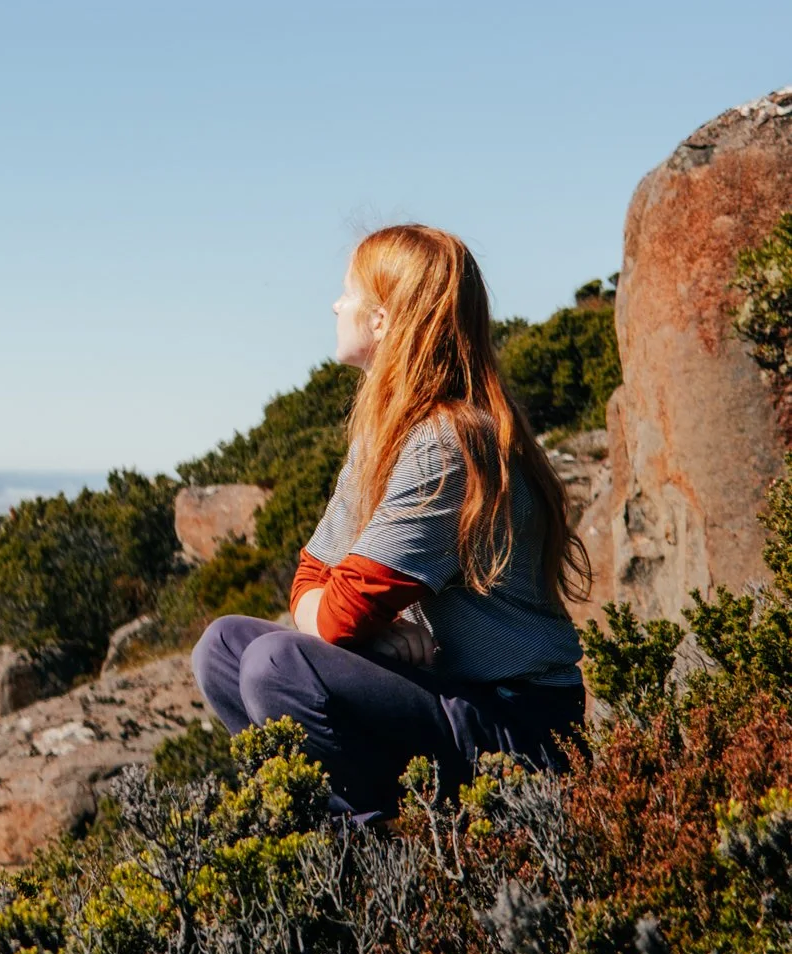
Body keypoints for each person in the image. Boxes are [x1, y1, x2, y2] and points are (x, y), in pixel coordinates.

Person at [191, 225, 588, 818]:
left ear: (381, 320)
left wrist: (351, 625)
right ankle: (315, 822)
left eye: (348, 292)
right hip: (453, 695)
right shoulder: (386, 434)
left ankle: (369, 848)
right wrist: (370, 631)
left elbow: (334, 615)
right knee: (222, 646)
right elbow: (310, 580)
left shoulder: (448, 443)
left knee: (277, 665)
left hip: (517, 725)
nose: (335, 304)